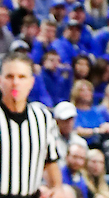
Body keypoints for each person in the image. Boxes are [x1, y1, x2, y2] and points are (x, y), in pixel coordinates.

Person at [0, 49, 65, 197]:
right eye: (9, 77)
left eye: (22, 77)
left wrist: (57, 187)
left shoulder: (43, 118)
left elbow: (50, 161)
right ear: (0, 81)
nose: (15, 83)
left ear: (31, 82)